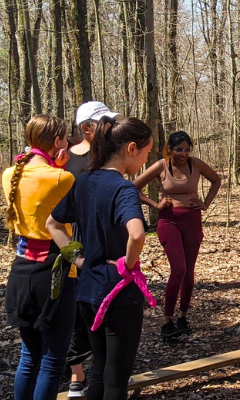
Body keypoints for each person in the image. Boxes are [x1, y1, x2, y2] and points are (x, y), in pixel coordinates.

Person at [47, 116, 154, 400]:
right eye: (146, 153)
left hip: (88, 291)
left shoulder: (84, 181)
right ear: (131, 148)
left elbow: (52, 224)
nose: (145, 160)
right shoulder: (124, 188)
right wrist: (127, 266)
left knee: (99, 375)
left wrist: (78, 260)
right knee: (116, 382)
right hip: (118, 295)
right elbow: (137, 234)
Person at [3, 115, 76, 400]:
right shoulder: (63, 177)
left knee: (28, 356)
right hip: (55, 271)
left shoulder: (11, 173)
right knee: (52, 360)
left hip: (21, 270)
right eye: (65, 137)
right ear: (57, 142)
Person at [133, 131, 221, 338]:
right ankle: (167, 320)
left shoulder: (196, 164)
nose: (183, 153)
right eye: (178, 149)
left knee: (189, 270)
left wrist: (205, 203)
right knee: (178, 268)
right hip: (169, 221)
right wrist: (156, 204)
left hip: (192, 220)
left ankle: (183, 316)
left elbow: (216, 180)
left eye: (187, 149)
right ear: (170, 150)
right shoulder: (161, 165)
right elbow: (133, 187)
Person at [63, 101, 122, 398]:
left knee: (104, 317)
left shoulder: (112, 156)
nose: (110, 127)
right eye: (105, 122)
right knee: (75, 315)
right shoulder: (66, 160)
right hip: (72, 249)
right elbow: (55, 215)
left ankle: (104, 375)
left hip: (105, 251)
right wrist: (73, 255)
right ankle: (76, 375)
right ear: (87, 127)